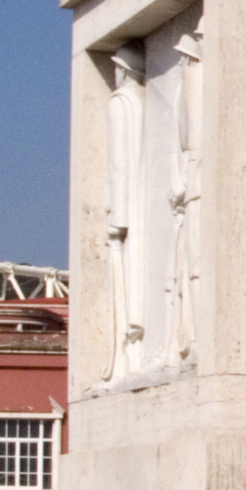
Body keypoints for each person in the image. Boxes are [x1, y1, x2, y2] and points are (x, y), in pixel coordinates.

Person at [105, 44, 146, 379]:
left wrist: (117, 216)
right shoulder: (147, 100)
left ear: (122, 71)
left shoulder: (120, 103)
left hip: (128, 212)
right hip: (148, 207)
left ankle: (128, 358)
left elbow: (118, 163)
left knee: (128, 281)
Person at [166, 18, 203, 365]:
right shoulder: (193, 81)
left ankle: (199, 338)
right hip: (194, 188)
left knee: (197, 268)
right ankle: (194, 338)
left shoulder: (198, 80)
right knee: (193, 269)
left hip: (199, 189)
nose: (179, 63)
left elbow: (188, 140)